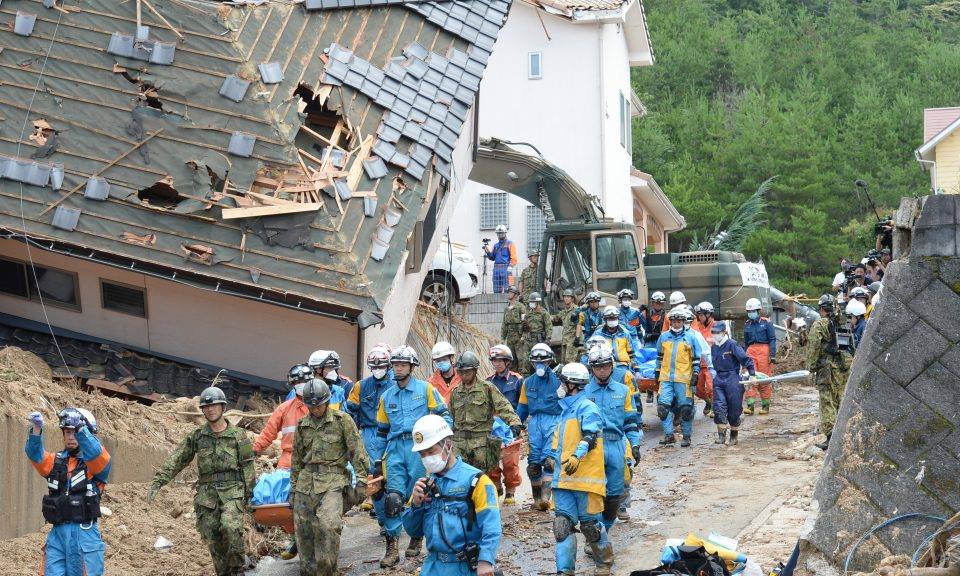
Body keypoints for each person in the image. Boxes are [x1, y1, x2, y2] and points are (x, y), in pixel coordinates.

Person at [149, 387, 255, 576]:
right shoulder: (198, 436)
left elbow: (247, 466)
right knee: (211, 535)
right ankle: (223, 572)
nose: (210, 410)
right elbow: (178, 458)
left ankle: (238, 568)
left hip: (232, 490)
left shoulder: (238, 436)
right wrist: (159, 480)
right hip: (207, 494)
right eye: (206, 407)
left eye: (213, 405)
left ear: (222, 407)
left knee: (231, 527)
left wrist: (249, 495)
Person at [374, 346, 452, 567]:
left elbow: (444, 417)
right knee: (393, 499)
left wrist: (443, 445)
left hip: (420, 448)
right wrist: (377, 461)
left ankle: (416, 537)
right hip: (395, 449)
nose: (398, 369)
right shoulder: (386, 396)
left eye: (402, 365)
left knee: (419, 493)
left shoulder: (426, 389)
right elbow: (381, 431)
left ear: (412, 366)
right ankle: (391, 547)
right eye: (395, 365)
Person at [404, 415, 503, 576]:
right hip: (432, 567)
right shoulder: (425, 485)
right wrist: (415, 505)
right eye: (422, 454)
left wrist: (485, 561)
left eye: (431, 451)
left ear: (448, 445)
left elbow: (492, 525)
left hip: (465, 567)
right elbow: (413, 531)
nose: (427, 458)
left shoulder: (477, 481)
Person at [291, 379, 368, 576]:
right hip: (306, 483)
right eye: (311, 405)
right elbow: (297, 459)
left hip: (334, 481)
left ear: (327, 401)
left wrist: (361, 482)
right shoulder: (302, 425)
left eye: (318, 404)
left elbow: (357, 452)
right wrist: (293, 489)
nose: (315, 409)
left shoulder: (342, 421)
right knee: (304, 533)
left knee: (328, 526)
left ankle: (328, 572)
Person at [25, 407, 111, 576]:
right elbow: (35, 455)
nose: (70, 437)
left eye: (74, 432)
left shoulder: (97, 462)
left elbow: (95, 454)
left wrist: (81, 429)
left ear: (87, 432)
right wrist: (36, 431)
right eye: (67, 432)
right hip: (57, 535)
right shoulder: (55, 461)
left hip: (85, 535)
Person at [547, 362, 613, 576]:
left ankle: (603, 564)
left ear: (571, 384)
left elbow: (591, 436)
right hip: (564, 480)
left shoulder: (587, 407)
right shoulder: (564, 411)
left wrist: (577, 456)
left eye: (562, 382)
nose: (559, 386)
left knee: (590, 526)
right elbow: (560, 444)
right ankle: (564, 571)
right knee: (562, 526)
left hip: (585, 480)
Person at [583, 346, 641, 533]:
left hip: (616, 444)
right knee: (593, 492)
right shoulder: (582, 392)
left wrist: (635, 444)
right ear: (591, 368)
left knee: (615, 494)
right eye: (598, 367)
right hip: (592, 446)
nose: (602, 370)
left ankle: (603, 531)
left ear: (612, 365)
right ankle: (594, 536)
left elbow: (631, 421)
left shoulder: (623, 391)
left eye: (606, 366)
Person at [448, 351, 522, 484]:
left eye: (468, 372)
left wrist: (514, 423)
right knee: (460, 477)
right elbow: (450, 416)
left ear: (475, 371)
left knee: (481, 479)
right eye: (461, 372)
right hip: (459, 443)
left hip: (481, 443)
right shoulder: (455, 393)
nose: (464, 376)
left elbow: (503, 406)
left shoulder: (487, 388)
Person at [346, 345, 394, 525]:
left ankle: (395, 515)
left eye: (381, 366)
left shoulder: (395, 385)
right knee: (374, 479)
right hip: (369, 434)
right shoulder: (360, 386)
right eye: (374, 367)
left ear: (388, 366)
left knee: (393, 478)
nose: (377, 370)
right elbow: (349, 411)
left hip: (391, 433)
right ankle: (384, 521)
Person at [517, 343, 563, 511]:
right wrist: (516, 424)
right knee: (533, 464)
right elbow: (522, 407)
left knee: (550, 462)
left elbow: (568, 403)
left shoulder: (559, 381)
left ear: (550, 361)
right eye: (536, 362)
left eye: (543, 361)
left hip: (554, 421)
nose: (539, 365)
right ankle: (537, 499)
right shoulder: (527, 383)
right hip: (535, 423)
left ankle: (546, 497)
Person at [655, 307, 703, 447]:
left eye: (679, 321)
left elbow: (696, 358)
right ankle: (669, 435)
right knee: (662, 408)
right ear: (670, 322)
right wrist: (657, 372)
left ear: (683, 322)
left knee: (686, 409)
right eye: (674, 321)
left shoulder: (690, 338)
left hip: (683, 379)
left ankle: (686, 436)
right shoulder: (663, 337)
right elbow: (659, 356)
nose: (676, 324)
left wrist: (695, 373)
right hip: (666, 378)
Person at [807, 295, 845, 451]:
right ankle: (842, 434)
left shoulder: (819, 325)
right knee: (839, 399)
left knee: (827, 401)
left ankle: (830, 437)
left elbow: (814, 346)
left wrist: (811, 367)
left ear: (822, 309)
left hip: (826, 368)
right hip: (842, 366)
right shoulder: (841, 322)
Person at [487, 344, 524, 504]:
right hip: (494, 429)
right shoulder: (488, 382)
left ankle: (510, 491)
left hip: (511, 429)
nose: (497, 364)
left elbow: (523, 405)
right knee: (492, 462)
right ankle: (496, 487)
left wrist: (518, 425)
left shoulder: (517, 380)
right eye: (494, 361)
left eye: (500, 361)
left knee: (510, 463)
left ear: (507, 362)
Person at [709, 321, 755, 445]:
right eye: (713, 332)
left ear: (724, 332)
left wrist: (752, 374)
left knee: (734, 409)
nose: (715, 335)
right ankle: (721, 435)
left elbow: (745, 359)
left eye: (718, 332)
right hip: (719, 379)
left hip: (733, 378)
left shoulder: (732, 345)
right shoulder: (714, 347)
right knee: (718, 407)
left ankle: (734, 436)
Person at [743, 298, 777, 415]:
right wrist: (744, 357)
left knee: (764, 378)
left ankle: (765, 406)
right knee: (750, 378)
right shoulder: (747, 325)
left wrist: (772, 355)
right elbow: (746, 343)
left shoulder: (766, 323)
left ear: (758, 311)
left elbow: (772, 339)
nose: (750, 313)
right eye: (748, 311)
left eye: (752, 311)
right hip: (751, 351)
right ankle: (750, 406)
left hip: (764, 351)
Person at [691, 302, 718, 418]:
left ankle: (715, 407)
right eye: (698, 315)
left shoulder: (717, 326)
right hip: (699, 363)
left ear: (708, 314)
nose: (699, 317)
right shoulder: (696, 326)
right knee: (698, 389)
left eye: (701, 315)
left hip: (711, 363)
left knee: (711, 386)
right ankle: (708, 401)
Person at [520, 292, 552, 375]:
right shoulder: (528, 313)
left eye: (533, 302)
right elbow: (524, 329)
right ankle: (525, 381)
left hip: (539, 341)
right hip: (529, 340)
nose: (531, 304)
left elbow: (549, 327)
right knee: (526, 361)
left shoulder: (544, 313)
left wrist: (548, 339)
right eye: (530, 302)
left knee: (539, 361)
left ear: (537, 303)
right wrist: (524, 327)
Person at [484, 224, 517, 293]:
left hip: (505, 268)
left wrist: (510, 267)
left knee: (507, 288)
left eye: (501, 233)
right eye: (498, 233)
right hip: (496, 268)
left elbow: (514, 258)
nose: (500, 235)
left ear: (505, 233)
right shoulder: (496, 245)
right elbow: (492, 257)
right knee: (496, 289)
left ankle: (508, 303)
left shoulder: (510, 244)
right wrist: (487, 250)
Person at [552, 289, 581, 363]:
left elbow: (579, 324)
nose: (566, 298)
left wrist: (577, 338)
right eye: (565, 297)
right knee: (563, 362)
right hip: (565, 341)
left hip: (572, 341)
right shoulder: (563, 312)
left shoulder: (576, 310)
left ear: (572, 298)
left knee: (570, 363)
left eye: (568, 297)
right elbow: (554, 318)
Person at [500, 286, 523, 372]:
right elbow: (504, 324)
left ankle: (522, 380)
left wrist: (523, 336)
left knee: (521, 360)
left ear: (516, 295)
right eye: (508, 292)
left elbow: (525, 323)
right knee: (511, 360)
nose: (509, 294)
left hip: (519, 338)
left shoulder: (521, 307)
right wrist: (503, 338)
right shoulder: (507, 308)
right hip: (510, 338)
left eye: (511, 292)